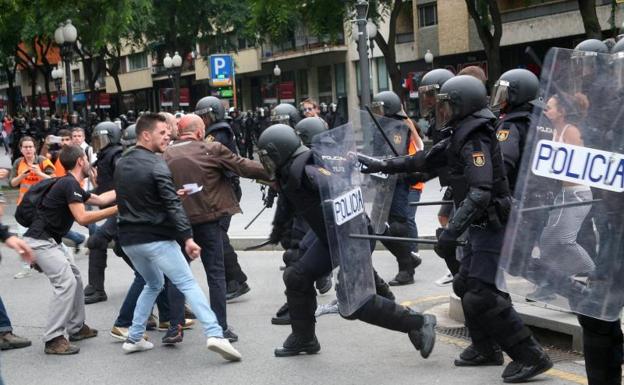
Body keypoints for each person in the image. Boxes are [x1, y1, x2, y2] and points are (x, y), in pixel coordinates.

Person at [359, 75, 553, 383]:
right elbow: (423, 158)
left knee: (482, 294)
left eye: (448, 105)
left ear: (463, 106)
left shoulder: (475, 138)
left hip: (493, 223)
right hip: (481, 224)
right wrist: (379, 165)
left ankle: (531, 355)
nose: (442, 111)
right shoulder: (461, 133)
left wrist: (451, 232)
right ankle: (485, 348)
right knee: (464, 285)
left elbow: (480, 192)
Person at [256, 124, 436, 359]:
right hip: (330, 234)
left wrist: (331, 203)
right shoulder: (290, 170)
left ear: (279, 152)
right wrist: (278, 232)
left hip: (352, 233)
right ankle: (305, 338)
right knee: (296, 276)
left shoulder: (308, 171)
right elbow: (288, 205)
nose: (266, 163)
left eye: (268, 157)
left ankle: (418, 323)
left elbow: (338, 189)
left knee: (355, 303)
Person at [114, 113, 241, 360]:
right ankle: (216, 334)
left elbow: (138, 199)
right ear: (145, 135)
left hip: (129, 239)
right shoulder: (157, 164)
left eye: (168, 132)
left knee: (154, 284)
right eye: (162, 133)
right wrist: (188, 238)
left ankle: (134, 337)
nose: (168, 136)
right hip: (156, 239)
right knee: (187, 283)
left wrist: (172, 195)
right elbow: (172, 205)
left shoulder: (123, 162)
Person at [164, 113, 272, 342]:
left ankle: (174, 327)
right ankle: (220, 327)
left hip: (180, 223)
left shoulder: (165, 154)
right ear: (200, 132)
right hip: (209, 219)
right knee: (216, 275)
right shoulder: (211, 149)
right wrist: (274, 170)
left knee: (177, 275)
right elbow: (243, 166)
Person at [23, 145, 118, 354]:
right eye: (87, 159)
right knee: (65, 282)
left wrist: (127, 190)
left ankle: (77, 327)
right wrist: (120, 208)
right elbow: (83, 218)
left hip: (50, 241)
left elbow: (101, 199)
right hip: (40, 241)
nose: (90, 165)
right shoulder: (68, 184)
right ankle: (53, 338)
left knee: (75, 277)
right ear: (80, 162)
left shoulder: (71, 184)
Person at [195, 96, 250, 301]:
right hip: (221, 188)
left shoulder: (218, 133)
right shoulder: (215, 132)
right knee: (217, 235)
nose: (204, 120)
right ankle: (233, 280)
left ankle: (236, 280)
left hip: (226, 189)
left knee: (217, 235)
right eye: (201, 117)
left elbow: (204, 155)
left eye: (206, 116)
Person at [370, 91, 422, 286]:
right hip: (383, 184)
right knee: (376, 228)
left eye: (380, 108)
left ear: (390, 108)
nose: (378, 112)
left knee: (398, 226)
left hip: (398, 184)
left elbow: (395, 156)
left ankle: (406, 270)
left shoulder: (399, 127)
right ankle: (409, 256)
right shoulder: (380, 127)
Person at [83, 121, 123, 304]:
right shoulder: (105, 156)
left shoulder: (117, 155)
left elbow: (121, 183)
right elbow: (104, 187)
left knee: (97, 240)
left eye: (103, 138)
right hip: (115, 207)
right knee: (122, 248)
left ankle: (97, 289)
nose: (100, 143)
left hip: (122, 209)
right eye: (97, 139)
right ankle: (96, 287)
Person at [10, 136, 56, 279]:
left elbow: (54, 179)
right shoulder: (18, 162)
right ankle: (26, 267)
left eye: (31, 146)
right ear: (21, 149)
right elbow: (12, 183)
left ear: (35, 148)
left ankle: (65, 256)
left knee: (50, 236)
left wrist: (39, 173)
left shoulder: (43, 161)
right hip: (23, 207)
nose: (28, 149)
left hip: (42, 206)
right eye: (25, 147)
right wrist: (22, 175)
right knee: (22, 239)